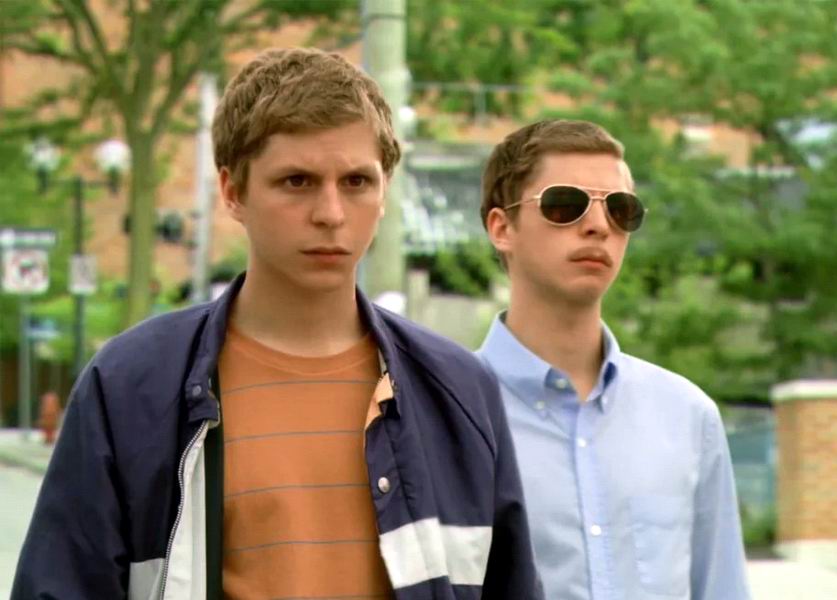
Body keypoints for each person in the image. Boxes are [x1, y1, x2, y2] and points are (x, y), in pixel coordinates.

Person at [13, 48, 542, 600]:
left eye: (356, 181)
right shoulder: (131, 385)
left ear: (385, 191)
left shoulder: (458, 389)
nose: (330, 213)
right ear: (232, 192)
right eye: (297, 181)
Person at [476, 119, 750, 599]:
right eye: (566, 204)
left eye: (621, 209)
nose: (599, 225)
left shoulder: (688, 416)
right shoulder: (445, 415)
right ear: (502, 228)